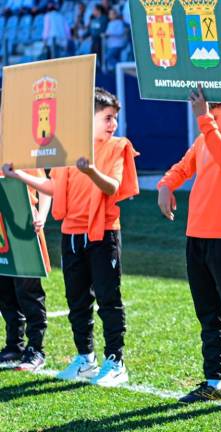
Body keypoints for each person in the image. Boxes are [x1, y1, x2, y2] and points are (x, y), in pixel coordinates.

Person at [3, 88, 139, 387]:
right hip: (72, 234)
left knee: (108, 299)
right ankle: (85, 359)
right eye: (106, 118)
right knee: (77, 301)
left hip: (103, 233)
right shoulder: (69, 150)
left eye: (114, 118)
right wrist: (19, 176)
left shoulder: (118, 146)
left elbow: (112, 187)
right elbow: (53, 187)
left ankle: (115, 361)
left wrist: (90, 170)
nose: (112, 123)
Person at [157, 86, 221, 409]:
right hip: (196, 238)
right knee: (208, 315)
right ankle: (213, 382)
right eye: (206, 111)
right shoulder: (204, 137)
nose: (208, 116)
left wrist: (204, 121)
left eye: (215, 112)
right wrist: (165, 184)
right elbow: (183, 167)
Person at [0, 169, 51, 372]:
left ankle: (36, 349)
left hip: (24, 229)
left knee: (28, 292)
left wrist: (43, 217)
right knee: (4, 291)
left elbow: (45, 185)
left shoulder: (20, 152)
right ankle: (14, 345)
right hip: (2, 232)